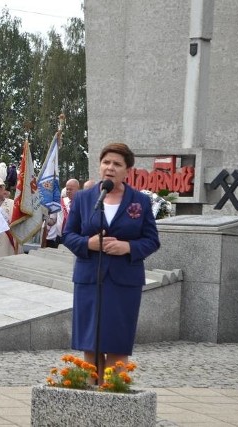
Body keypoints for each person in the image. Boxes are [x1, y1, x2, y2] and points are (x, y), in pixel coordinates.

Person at [62, 142, 160, 383]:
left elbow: (151, 240)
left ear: (127, 170)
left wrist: (127, 247)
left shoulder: (140, 201)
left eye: (117, 164)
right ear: (99, 166)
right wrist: (88, 244)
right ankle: (89, 395)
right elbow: (68, 234)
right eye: (106, 162)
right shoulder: (85, 199)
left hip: (123, 281)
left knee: (117, 343)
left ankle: (115, 394)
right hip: (89, 279)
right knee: (90, 342)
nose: (110, 168)